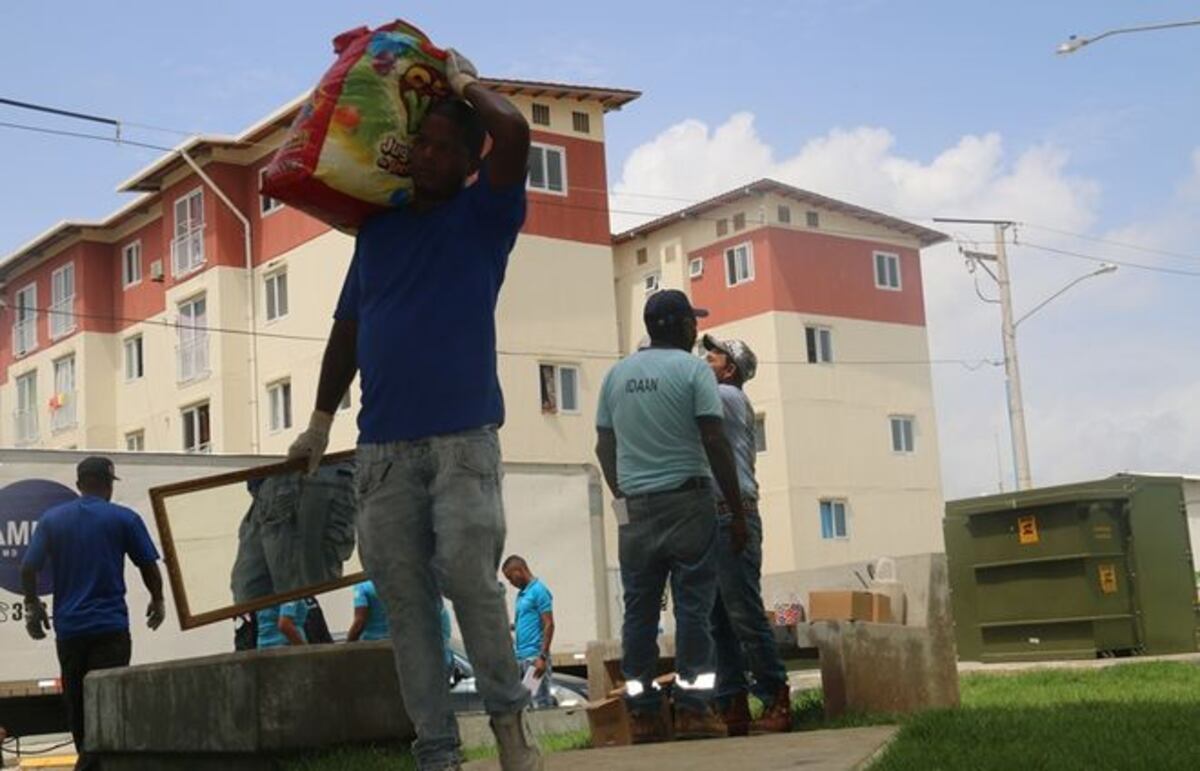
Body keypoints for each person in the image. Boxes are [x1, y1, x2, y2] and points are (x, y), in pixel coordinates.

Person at [286, 47, 541, 771]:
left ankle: (509, 726)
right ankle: (435, 750)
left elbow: (514, 132)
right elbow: (348, 331)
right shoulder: (378, 233)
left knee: (467, 576)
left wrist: (464, 83)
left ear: (468, 162)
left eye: (444, 146)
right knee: (404, 600)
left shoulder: (486, 214)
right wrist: (319, 421)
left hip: (463, 441)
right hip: (382, 453)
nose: (427, 155)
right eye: (421, 142)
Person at [594, 290, 748, 743]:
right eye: (692, 323)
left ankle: (643, 715)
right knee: (693, 609)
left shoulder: (616, 375)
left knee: (638, 613)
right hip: (688, 503)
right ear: (681, 326)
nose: (696, 330)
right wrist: (737, 511)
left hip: (636, 509)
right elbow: (714, 439)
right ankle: (695, 710)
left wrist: (624, 494)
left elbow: (604, 446)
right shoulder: (693, 370)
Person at [20, 457, 165, 771]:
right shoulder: (124, 518)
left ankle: (89, 762)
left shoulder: (52, 520)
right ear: (109, 484)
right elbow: (148, 566)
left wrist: (32, 605)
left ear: (79, 484)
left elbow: (28, 567)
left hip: (70, 632)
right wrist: (158, 600)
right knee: (108, 709)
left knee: (79, 710)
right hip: (110, 630)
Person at [701, 334, 792, 735]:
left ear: (730, 370)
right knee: (718, 619)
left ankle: (775, 696)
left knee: (743, 614)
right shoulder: (722, 395)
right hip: (716, 516)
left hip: (732, 514)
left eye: (714, 355)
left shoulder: (726, 397)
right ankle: (733, 702)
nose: (706, 358)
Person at [501, 556, 555, 709]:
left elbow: (549, 624)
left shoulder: (539, 591)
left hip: (534, 658)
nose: (511, 583)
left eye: (510, 578)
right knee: (526, 706)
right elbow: (526, 621)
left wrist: (542, 657)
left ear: (519, 571)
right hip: (522, 658)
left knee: (540, 705)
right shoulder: (522, 594)